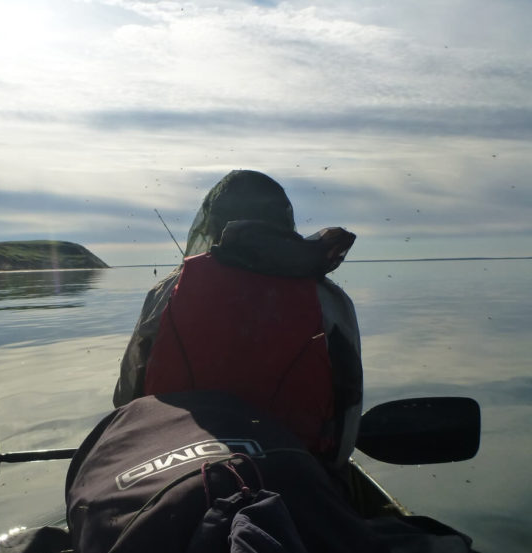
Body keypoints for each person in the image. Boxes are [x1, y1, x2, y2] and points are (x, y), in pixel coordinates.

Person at [113, 170, 362, 467]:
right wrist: (334, 473)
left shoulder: (168, 290)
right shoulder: (330, 299)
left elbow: (125, 399)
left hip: (175, 465)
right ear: (283, 223)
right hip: (297, 470)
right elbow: (349, 402)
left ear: (214, 223)